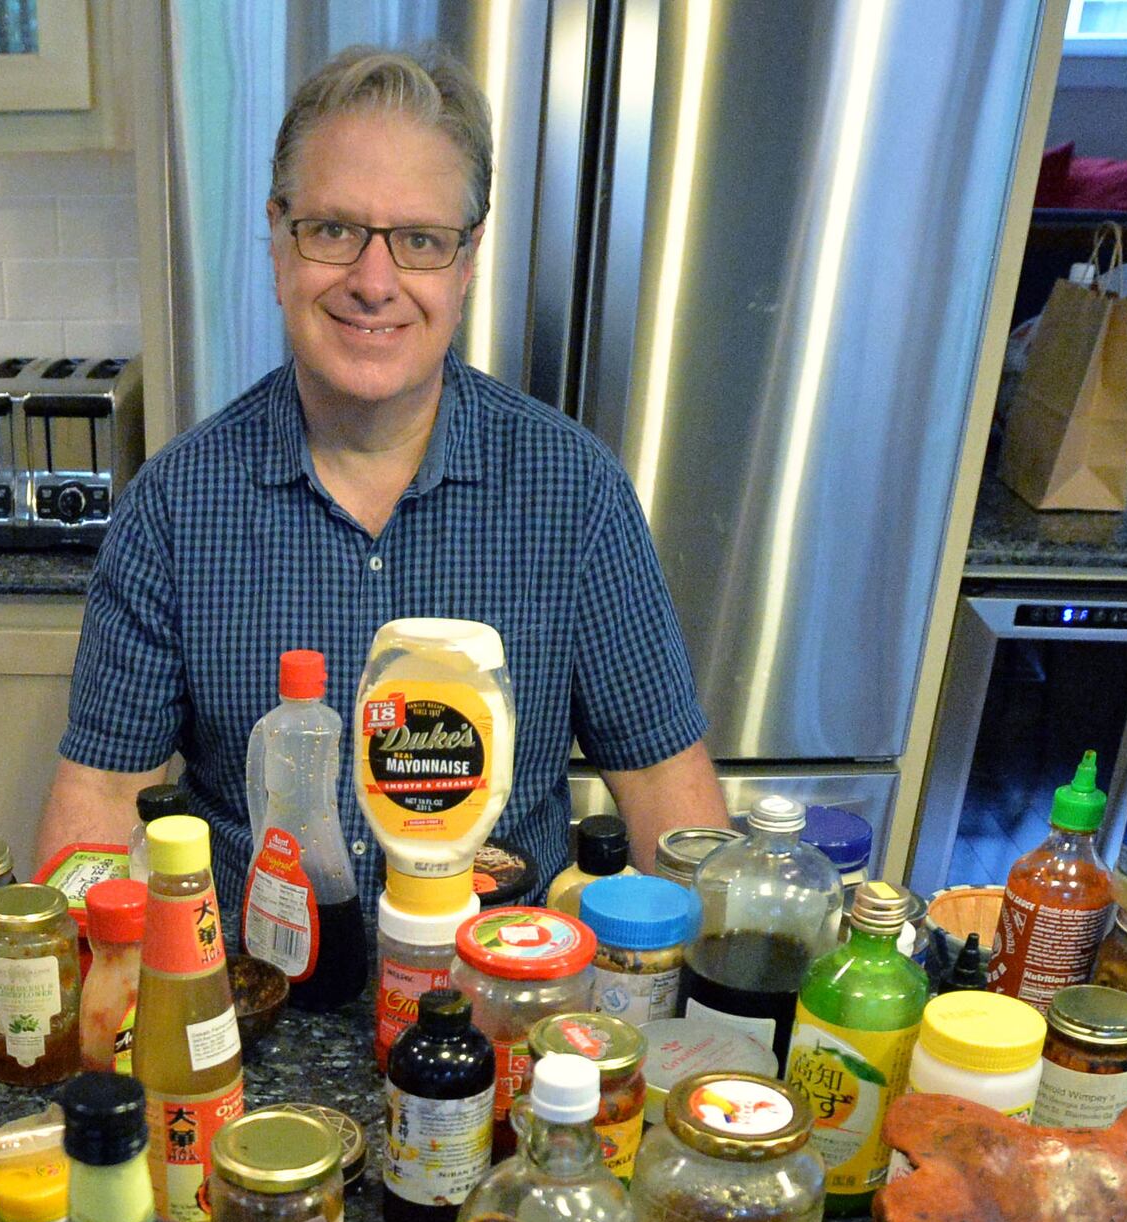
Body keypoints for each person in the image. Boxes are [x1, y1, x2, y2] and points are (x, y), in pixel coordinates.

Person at [41, 45, 730, 915]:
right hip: (256, 1005)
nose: (374, 282)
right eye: (333, 230)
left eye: (419, 241)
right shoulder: (176, 505)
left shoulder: (575, 492)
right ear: (279, 240)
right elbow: (99, 805)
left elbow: (670, 795)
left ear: (468, 259)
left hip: (501, 1003)